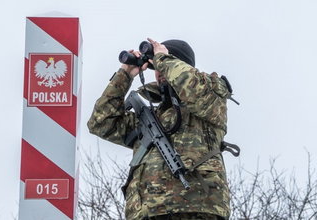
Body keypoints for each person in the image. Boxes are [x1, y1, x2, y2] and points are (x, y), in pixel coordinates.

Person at [88, 38, 234, 220]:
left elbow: (194, 89)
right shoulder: (150, 118)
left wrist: (163, 59)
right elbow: (101, 122)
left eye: (162, 63)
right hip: (148, 212)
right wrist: (124, 75)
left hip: (196, 208)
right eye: (155, 66)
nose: (159, 72)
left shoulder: (211, 99)